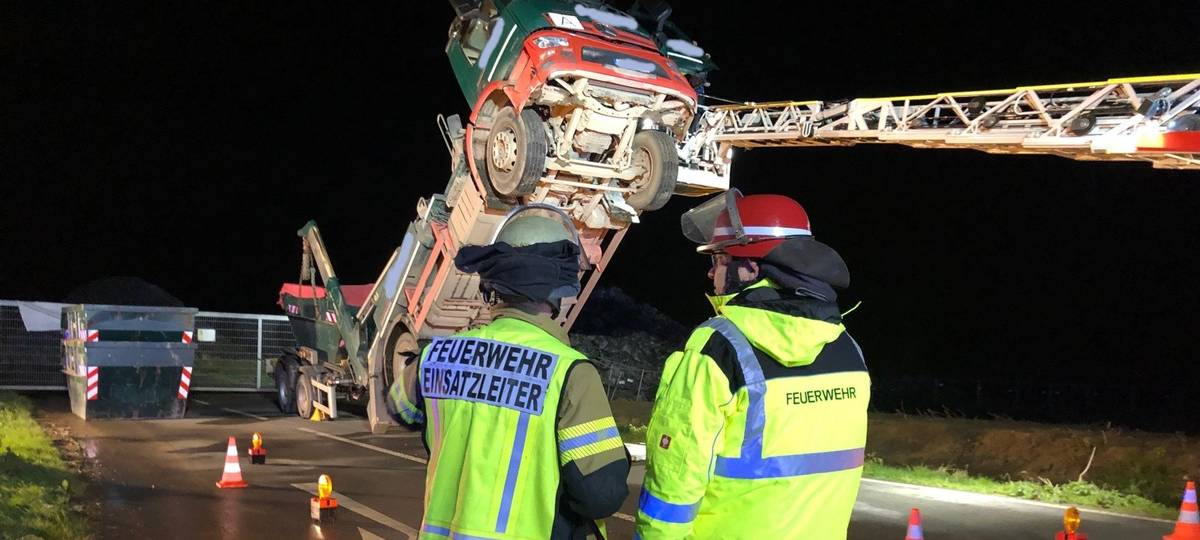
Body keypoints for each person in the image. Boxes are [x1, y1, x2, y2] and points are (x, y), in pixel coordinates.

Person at [635, 190, 871, 539]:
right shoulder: (848, 349)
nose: (711, 274)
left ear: (749, 268)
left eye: (718, 260)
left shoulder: (717, 347)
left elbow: (675, 477)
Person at [387, 205, 630, 540]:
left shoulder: (436, 356)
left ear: (494, 284)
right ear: (558, 289)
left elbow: (399, 408)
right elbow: (602, 494)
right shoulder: (570, 372)